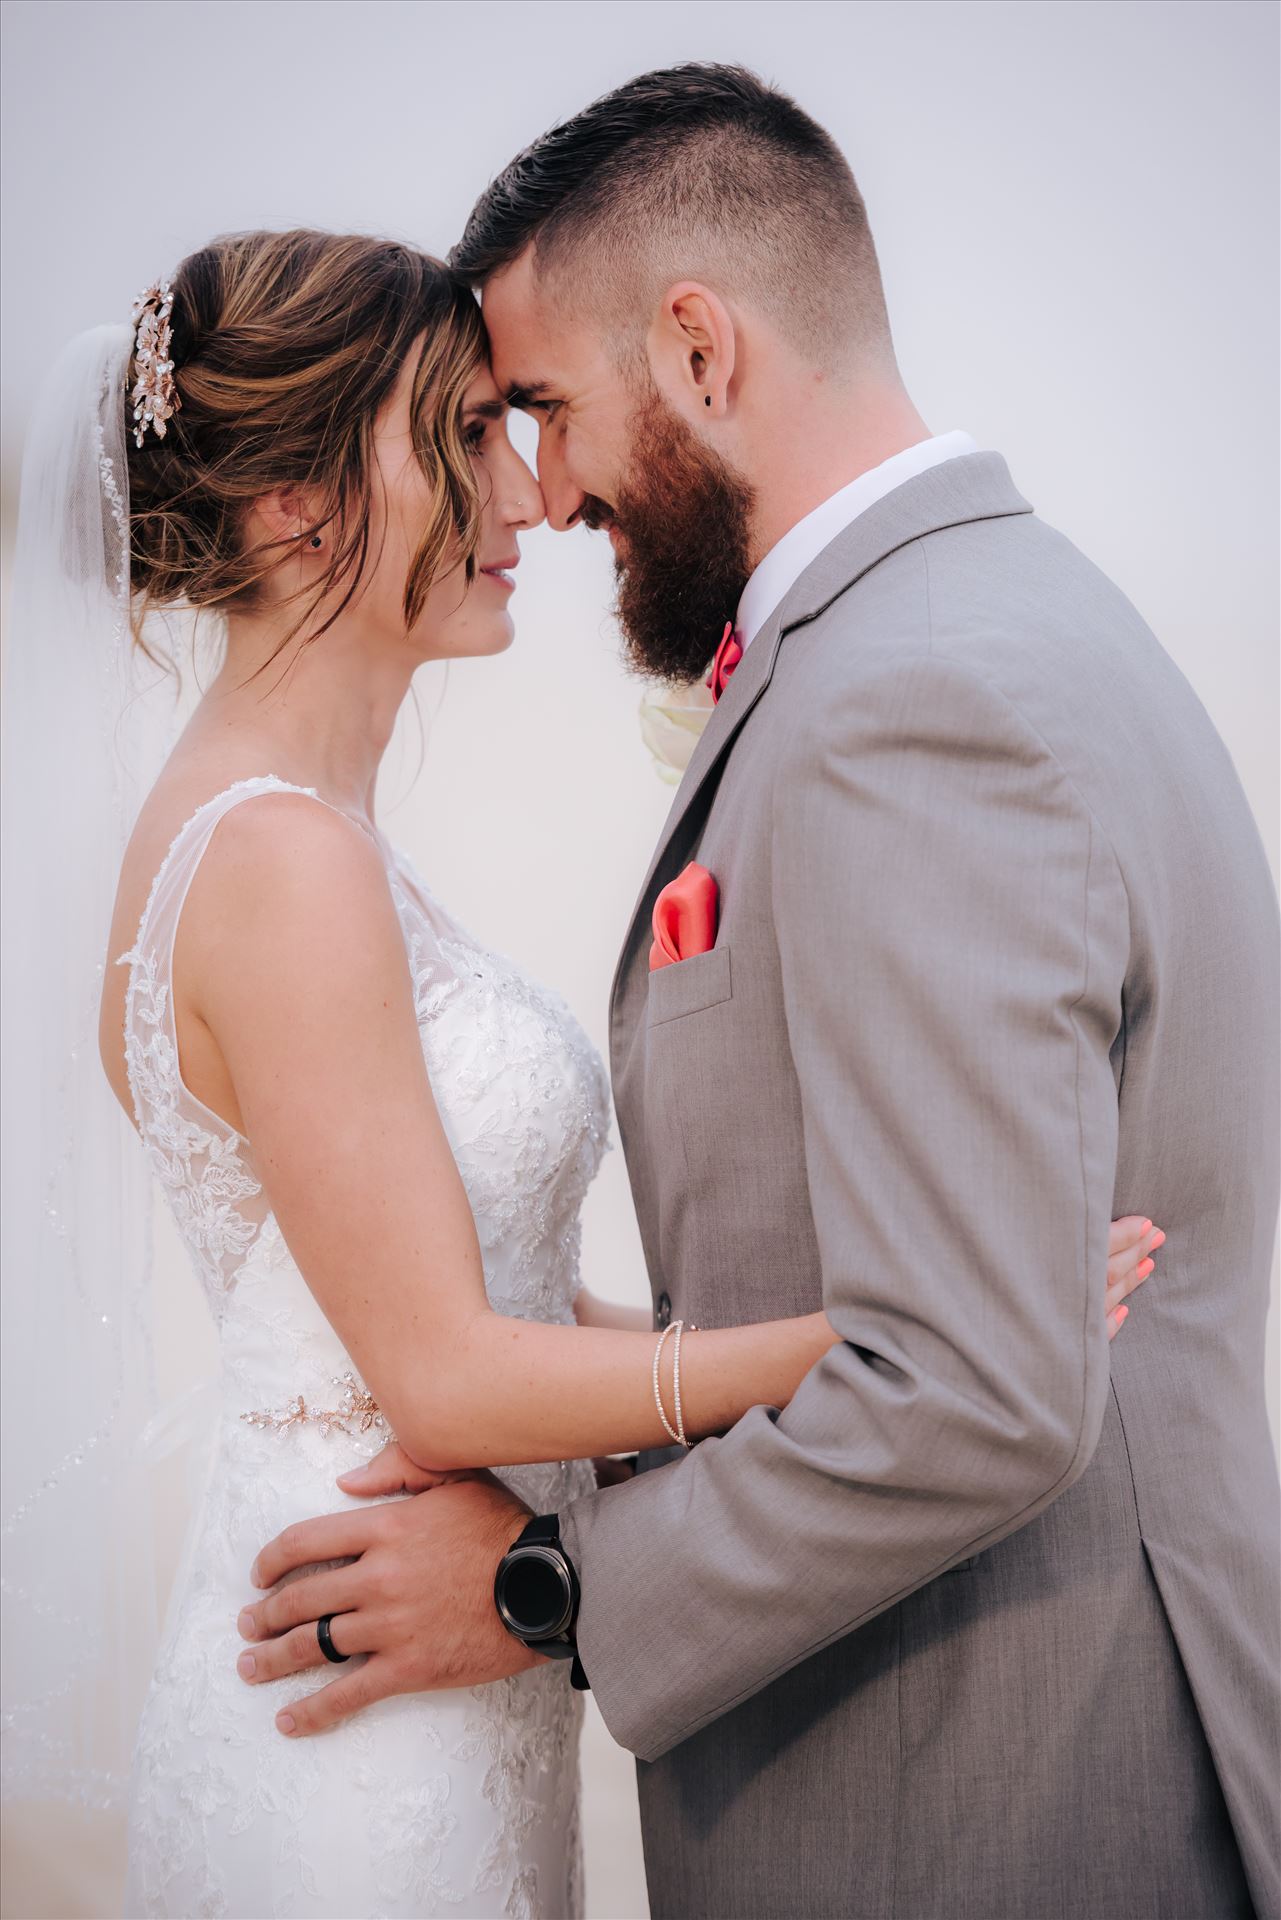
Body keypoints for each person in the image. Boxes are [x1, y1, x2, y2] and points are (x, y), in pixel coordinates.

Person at [247, 64, 1281, 1920]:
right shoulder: (1009, 620)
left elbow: (967, 1382)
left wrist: (536, 1590)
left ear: (701, 349)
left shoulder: (911, 703)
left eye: (547, 408)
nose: (540, 490)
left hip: (985, 1803)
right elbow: (897, 1298)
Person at [0, 221, 1128, 1920]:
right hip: (359, 1678)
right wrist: (887, 1342)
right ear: (294, 504)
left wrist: (887, 1308)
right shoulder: (280, 867)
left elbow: (462, 1295)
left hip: (413, 1632)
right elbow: (446, 1378)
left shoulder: (300, 842)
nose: (526, 498)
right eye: (461, 433)